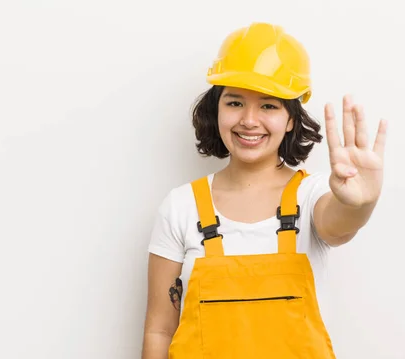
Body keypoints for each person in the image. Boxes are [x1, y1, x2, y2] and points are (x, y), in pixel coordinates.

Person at [141, 22, 387, 359]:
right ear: (217, 108)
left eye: (268, 105)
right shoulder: (181, 207)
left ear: (290, 118)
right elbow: (159, 330)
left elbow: (340, 223)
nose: (249, 120)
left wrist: (362, 203)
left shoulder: (310, 196)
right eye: (235, 102)